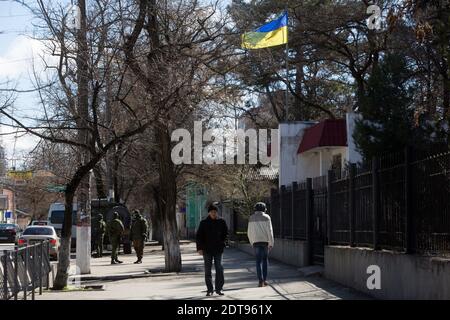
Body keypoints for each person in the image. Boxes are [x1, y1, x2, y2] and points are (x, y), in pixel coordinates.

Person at [196, 204, 228, 297]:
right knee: (207, 270)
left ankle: (219, 288)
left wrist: (224, 243)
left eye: (215, 212)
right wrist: (199, 248)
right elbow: (199, 237)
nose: (214, 213)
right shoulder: (203, 223)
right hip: (207, 250)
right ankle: (209, 290)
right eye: (212, 212)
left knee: (219, 268)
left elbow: (226, 234)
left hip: (218, 249)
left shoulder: (221, 222)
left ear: (217, 212)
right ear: (209, 213)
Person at [247, 202, 274, 287]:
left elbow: (249, 232)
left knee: (258, 261)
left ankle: (260, 281)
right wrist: (271, 243)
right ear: (264, 209)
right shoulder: (267, 217)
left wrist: (251, 242)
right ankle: (265, 280)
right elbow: (270, 231)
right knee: (265, 260)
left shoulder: (251, 218)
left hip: (256, 242)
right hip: (265, 241)